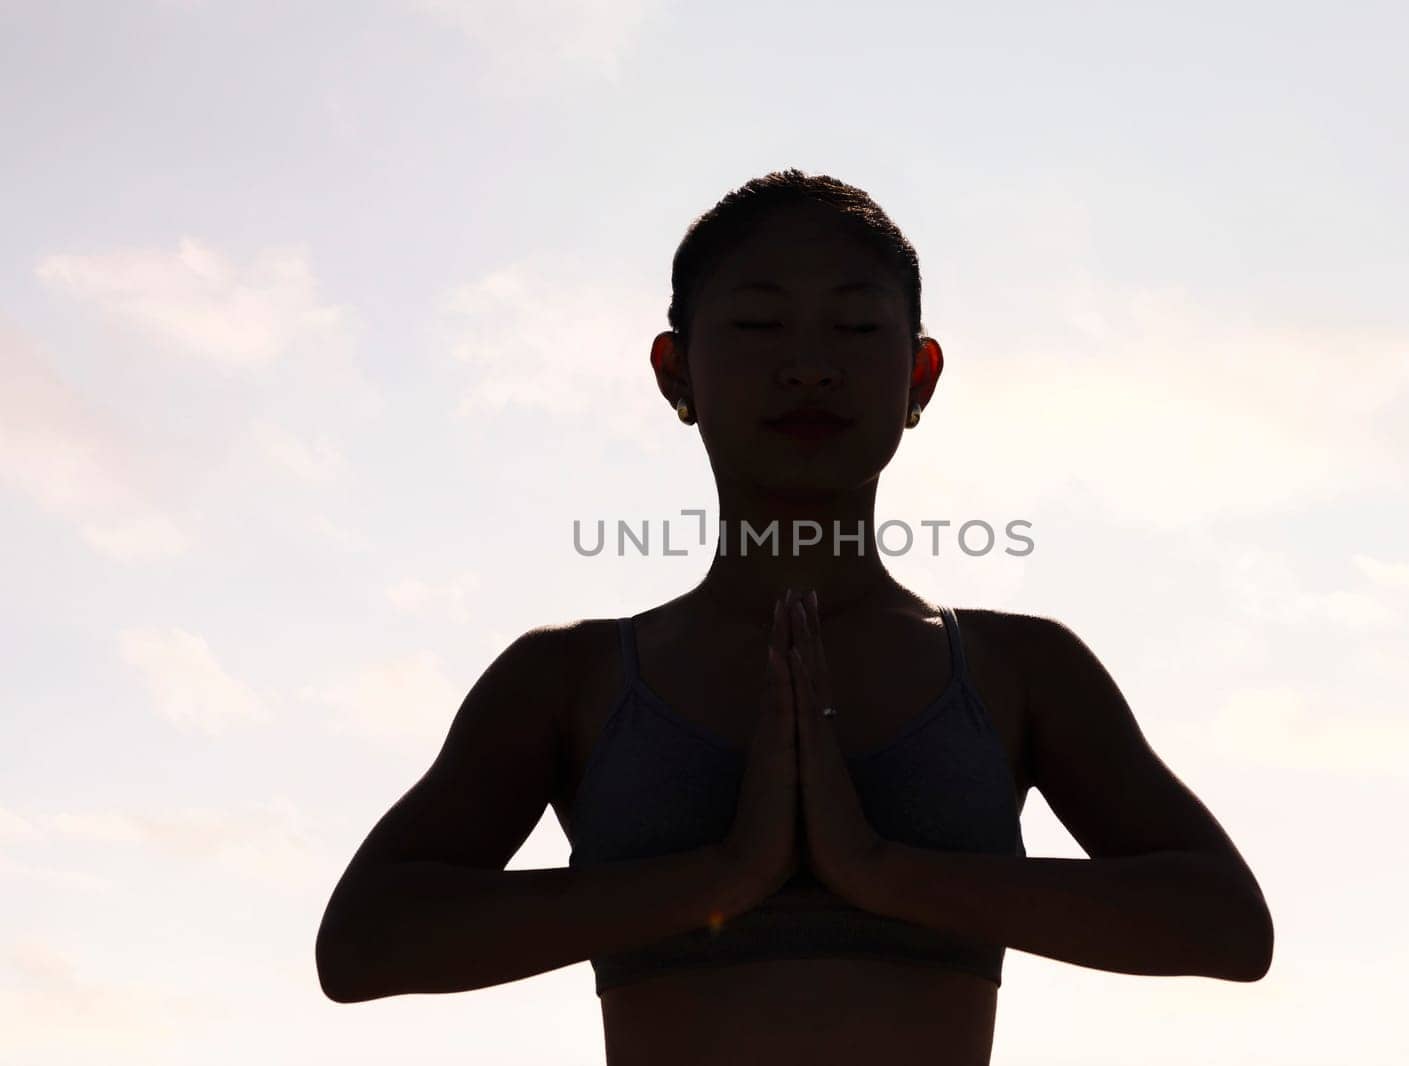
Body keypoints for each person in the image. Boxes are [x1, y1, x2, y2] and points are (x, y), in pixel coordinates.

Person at [315, 168, 1274, 1065]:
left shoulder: (1020, 671)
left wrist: (884, 872)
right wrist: (720, 879)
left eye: (857, 332)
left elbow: (1226, 924)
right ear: (674, 370)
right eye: (760, 328)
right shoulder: (569, 683)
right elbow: (364, 945)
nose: (810, 368)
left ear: (920, 378)